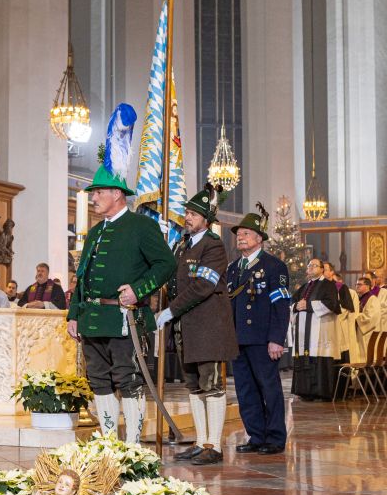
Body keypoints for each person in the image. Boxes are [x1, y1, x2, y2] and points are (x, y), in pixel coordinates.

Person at [67, 103, 176, 443]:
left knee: (128, 379)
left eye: (98, 192)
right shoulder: (96, 232)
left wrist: (139, 290)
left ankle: (131, 445)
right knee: (98, 380)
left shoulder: (140, 226)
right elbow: (82, 275)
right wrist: (73, 314)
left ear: (117, 194)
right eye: (93, 193)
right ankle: (110, 440)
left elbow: (167, 264)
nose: (93, 197)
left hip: (125, 318)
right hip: (93, 317)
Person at [156, 185, 238, 465]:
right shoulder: (183, 245)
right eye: (187, 213)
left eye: (192, 214)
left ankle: (214, 446)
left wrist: (171, 310)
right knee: (194, 386)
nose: (187, 218)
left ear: (206, 219)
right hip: (187, 328)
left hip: (208, 327)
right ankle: (201, 441)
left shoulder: (213, 245)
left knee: (212, 385)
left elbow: (204, 286)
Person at [227, 206, 291, 455]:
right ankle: (256, 435)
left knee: (269, 387)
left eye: (245, 233)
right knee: (245, 390)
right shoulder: (233, 268)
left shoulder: (274, 266)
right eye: (238, 234)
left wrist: (276, 339)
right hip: (238, 338)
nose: (240, 237)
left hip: (263, 339)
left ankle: (275, 437)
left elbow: (281, 305)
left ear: (259, 238)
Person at [291, 257, 341, 401]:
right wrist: (296, 306)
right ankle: (304, 391)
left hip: (320, 329)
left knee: (319, 358)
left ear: (322, 269)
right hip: (303, 331)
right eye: (309, 266)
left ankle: (321, 392)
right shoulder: (304, 287)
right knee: (304, 357)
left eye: (314, 265)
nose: (310, 268)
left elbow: (332, 304)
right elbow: (293, 302)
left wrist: (309, 306)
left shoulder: (328, 285)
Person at [324, 262, 355, 362]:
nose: (322, 272)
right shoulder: (318, 287)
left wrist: (330, 317)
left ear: (332, 272)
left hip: (337, 326)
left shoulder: (341, 287)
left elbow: (346, 308)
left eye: (325, 269)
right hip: (323, 329)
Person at [354, 276, 381, 361]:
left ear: (367, 286)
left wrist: (356, 316)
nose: (357, 286)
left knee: (365, 356)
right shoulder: (359, 298)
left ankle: (367, 372)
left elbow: (371, 317)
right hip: (360, 332)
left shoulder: (372, 299)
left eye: (359, 284)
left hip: (366, 333)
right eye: (356, 284)